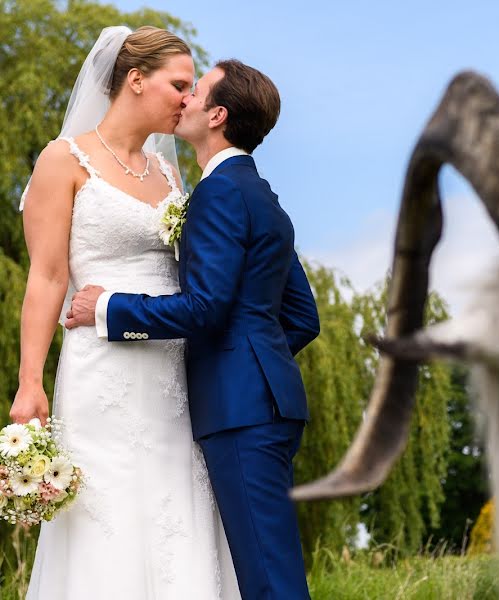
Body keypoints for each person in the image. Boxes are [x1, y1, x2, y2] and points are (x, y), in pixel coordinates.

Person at [66, 58, 320, 599]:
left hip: (240, 412)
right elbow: (301, 316)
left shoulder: (218, 194)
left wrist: (108, 308)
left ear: (217, 115)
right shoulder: (261, 196)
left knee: (268, 581)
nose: (184, 100)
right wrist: (251, 359)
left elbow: (205, 307)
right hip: (266, 406)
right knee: (266, 567)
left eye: (196, 91)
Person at [11, 26, 242, 598]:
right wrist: (28, 382)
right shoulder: (63, 161)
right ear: (135, 79)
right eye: (180, 86)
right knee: (104, 512)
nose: (190, 101)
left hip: (171, 372)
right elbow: (46, 277)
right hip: (100, 371)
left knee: (175, 504)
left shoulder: (168, 174)